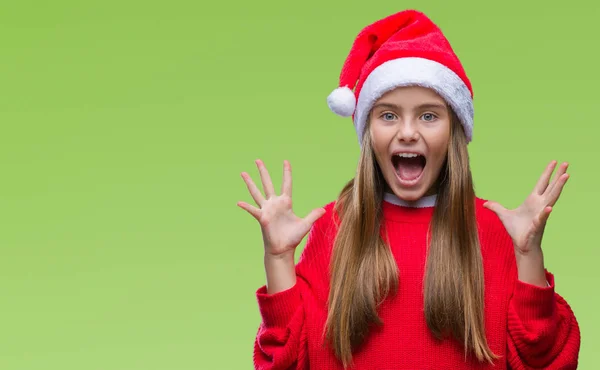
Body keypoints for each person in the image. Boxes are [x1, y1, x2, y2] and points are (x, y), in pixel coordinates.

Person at [238, 9, 581, 370]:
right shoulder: (334, 230)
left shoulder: (495, 232)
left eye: (429, 116)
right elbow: (283, 361)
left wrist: (528, 255)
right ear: (368, 131)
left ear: (454, 132)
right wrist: (277, 260)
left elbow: (547, 359)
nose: (407, 132)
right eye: (388, 115)